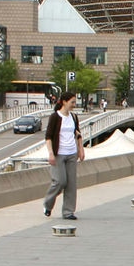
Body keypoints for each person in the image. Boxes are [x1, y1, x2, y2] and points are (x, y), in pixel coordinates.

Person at [43, 90, 86, 220]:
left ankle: (68, 212)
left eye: (75, 102)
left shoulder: (73, 117)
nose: (74, 105)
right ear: (64, 102)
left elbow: (77, 134)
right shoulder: (55, 117)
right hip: (59, 154)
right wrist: (51, 153)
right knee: (60, 181)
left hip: (72, 153)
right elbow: (48, 137)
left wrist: (81, 149)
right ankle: (48, 204)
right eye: (72, 102)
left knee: (71, 184)